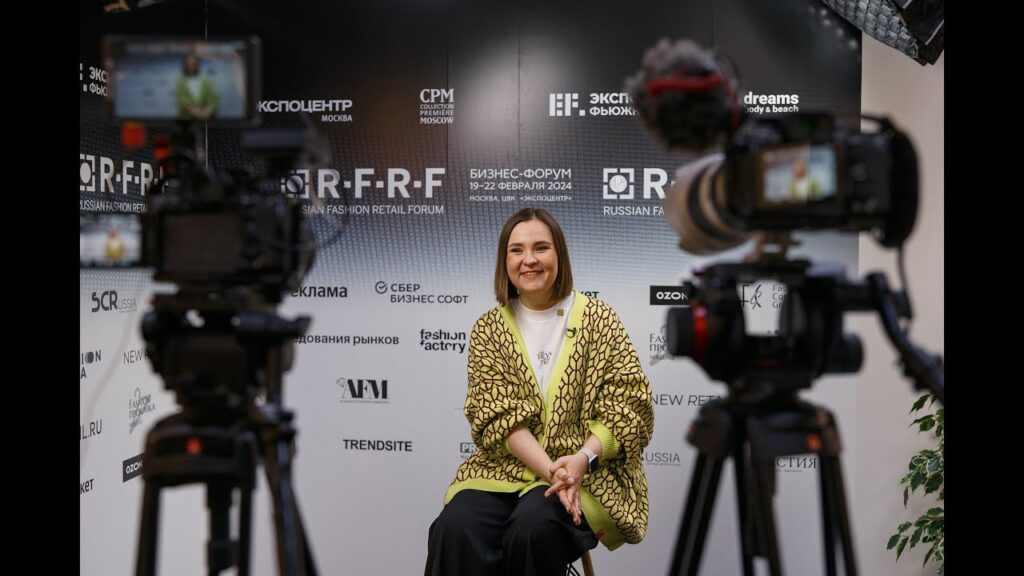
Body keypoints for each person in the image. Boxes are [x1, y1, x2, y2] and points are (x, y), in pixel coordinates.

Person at [425, 208, 654, 576]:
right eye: (516, 250)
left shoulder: (600, 319)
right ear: (505, 262)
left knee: (533, 527)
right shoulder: (489, 329)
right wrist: (553, 473)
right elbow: (498, 417)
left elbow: (628, 407)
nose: (529, 259)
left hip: (586, 471)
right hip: (505, 470)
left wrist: (580, 461)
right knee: (456, 526)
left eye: (541, 248)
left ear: (559, 255)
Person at [175, 51, 219, 120]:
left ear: (197, 65)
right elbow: (183, 101)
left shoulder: (206, 79)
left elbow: (213, 99)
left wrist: (207, 112)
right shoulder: (180, 81)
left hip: (206, 119)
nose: (192, 68)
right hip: (186, 119)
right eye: (189, 65)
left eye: (194, 65)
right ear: (185, 65)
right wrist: (198, 113)